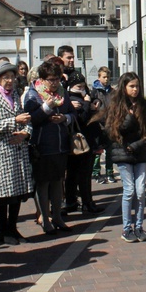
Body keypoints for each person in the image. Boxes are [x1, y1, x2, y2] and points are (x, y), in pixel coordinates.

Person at [0, 62, 34, 245]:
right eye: (6, 77)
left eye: (12, 77)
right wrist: (14, 121)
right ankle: (3, 230)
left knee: (17, 192)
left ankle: (13, 228)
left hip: (17, 147)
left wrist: (26, 132)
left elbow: (25, 118)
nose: (10, 81)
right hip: (0, 149)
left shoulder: (15, 94)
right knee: (3, 193)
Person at [24, 60, 75, 235]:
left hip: (61, 145)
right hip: (42, 146)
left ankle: (58, 217)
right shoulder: (33, 94)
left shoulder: (63, 93)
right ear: (43, 79)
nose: (54, 83)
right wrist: (47, 107)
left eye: (57, 79)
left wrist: (65, 118)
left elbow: (72, 113)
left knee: (57, 182)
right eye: (51, 79)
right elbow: (31, 118)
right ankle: (45, 219)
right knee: (43, 184)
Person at [105, 72, 146, 243]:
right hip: (122, 153)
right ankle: (127, 228)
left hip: (139, 152)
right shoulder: (116, 105)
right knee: (129, 191)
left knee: (141, 191)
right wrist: (130, 118)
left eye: (137, 86)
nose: (135, 89)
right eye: (131, 86)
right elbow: (113, 130)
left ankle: (139, 226)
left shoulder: (143, 105)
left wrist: (139, 144)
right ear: (124, 87)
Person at [63, 72, 103, 215]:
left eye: (83, 86)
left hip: (86, 140)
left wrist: (94, 102)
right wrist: (86, 103)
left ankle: (75, 201)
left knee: (78, 173)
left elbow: (94, 100)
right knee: (80, 174)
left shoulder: (82, 96)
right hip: (79, 141)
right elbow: (82, 118)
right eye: (78, 86)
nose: (82, 89)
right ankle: (84, 202)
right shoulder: (72, 99)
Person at [91, 66, 116, 184]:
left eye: (108, 77)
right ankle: (96, 173)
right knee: (98, 151)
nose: (106, 79)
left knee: (110, 151)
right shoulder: (94, 92)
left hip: (110, 124)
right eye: (104, 77)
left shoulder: (112, 92)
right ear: (99, 77)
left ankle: (109, 173)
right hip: (98, 125)